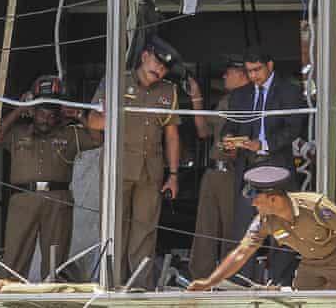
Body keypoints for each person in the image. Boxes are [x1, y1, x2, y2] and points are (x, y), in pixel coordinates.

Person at [187, 166, 336, 291]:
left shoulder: (315, 206)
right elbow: (241, 253)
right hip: (310, 263)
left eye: (257, 199)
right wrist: (209, 282)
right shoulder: (264, 220)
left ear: (274, 199)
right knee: (299, 301)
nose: (253, 204)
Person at [84, 36, 182, 286]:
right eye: (156, 63)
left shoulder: (168, 91)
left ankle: (139, 289)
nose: (159, 70)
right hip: (119, 168)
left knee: (145, 231)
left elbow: (171, 135)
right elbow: (93, 122)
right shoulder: (117, 82)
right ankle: (112, 284)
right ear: (144, 56)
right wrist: (115, 113)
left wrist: (173, 175)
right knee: (115, 228)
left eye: (164, 68)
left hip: (151, 171)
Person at [0, 75, 101, 279]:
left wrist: (79, 115)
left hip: (58, 200)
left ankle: (52, 299)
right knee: (15, 257)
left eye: (51, 114)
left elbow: (97, 140)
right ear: (33, 112)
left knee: (55, 260)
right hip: (23, 198)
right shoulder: (18, 132)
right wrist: (19, 108)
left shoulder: (69, 135)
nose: (46, 119)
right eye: (41, 113)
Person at [221, 46, 306, 285]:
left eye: (257, 70)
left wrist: (264, 144)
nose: (254, 76)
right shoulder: (241, 95)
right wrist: (229, 140)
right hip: (248, 169)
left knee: (281, 227)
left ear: (270, 66)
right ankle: (240, 282)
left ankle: (281, 282)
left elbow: (293, 127)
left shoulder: (288, 91)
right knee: (244, 228)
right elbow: (230, 125)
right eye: (249, 71)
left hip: (276, 165)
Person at [189, 56, 250, 278]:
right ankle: (200, 277)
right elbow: (204, 131)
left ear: (242, 74)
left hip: (233, 173)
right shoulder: (226, 101)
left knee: (231, 229)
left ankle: (230, 278)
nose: (224, 76)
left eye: (229, 72)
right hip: (213, 171)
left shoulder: (250, 102)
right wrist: (196, 97)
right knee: (205, 226)